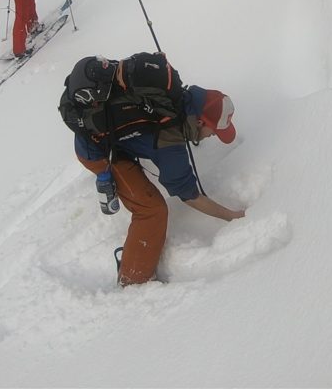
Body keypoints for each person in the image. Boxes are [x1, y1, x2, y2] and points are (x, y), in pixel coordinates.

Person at [59, 53, 245, 285]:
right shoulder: (170, 139)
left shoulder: (172, 95)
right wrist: (233, 216)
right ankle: (133, 280)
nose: (211, 137)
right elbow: (190, 195)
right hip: (98, 153)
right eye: (213, 132)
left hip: (113, 139)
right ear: (199, 122)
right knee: (152, 211)